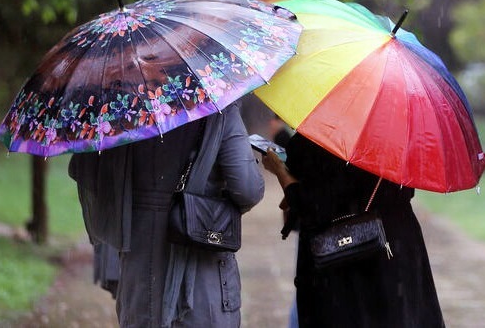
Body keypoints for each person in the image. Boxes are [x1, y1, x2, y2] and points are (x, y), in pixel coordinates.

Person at [69, 103, 264, 328]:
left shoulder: (121, 107)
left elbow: (93, 176)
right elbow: (247, 188)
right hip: (202, 273)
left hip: (140, 269)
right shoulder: (217, 106)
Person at [261, 133, 445, 328]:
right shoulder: (399, 133)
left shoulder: (320, 136)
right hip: (396, 241)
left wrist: (280, 170)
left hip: (341, 258)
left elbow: (311, 204)